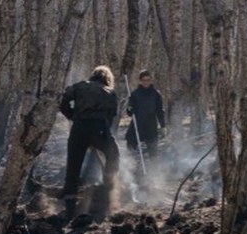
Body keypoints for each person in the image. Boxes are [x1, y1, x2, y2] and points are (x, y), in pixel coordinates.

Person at [59, 65, 120, 219]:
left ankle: (70, 208)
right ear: (107, 79)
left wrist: (73, 116)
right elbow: (111, 116)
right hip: (99, 129)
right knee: (113, 155)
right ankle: (107, 189)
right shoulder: (110, 92)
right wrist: (101, 135)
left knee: (73, 167)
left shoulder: (79, 86)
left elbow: (63, 102)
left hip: (79, 128)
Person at [125, 69, 166, 157]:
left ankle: (154, 168)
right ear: (140, 81)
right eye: (144, 80)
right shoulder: (135, 94)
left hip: (150, 124)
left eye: (148, 80)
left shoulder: (156, 94)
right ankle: (130, 166)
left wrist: (162, 125)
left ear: (151, 80)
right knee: (130, 146)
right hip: (137, 123)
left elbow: (159, 110)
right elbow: (129, 112)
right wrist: (129, 108)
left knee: (153, 150)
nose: (146, 82)